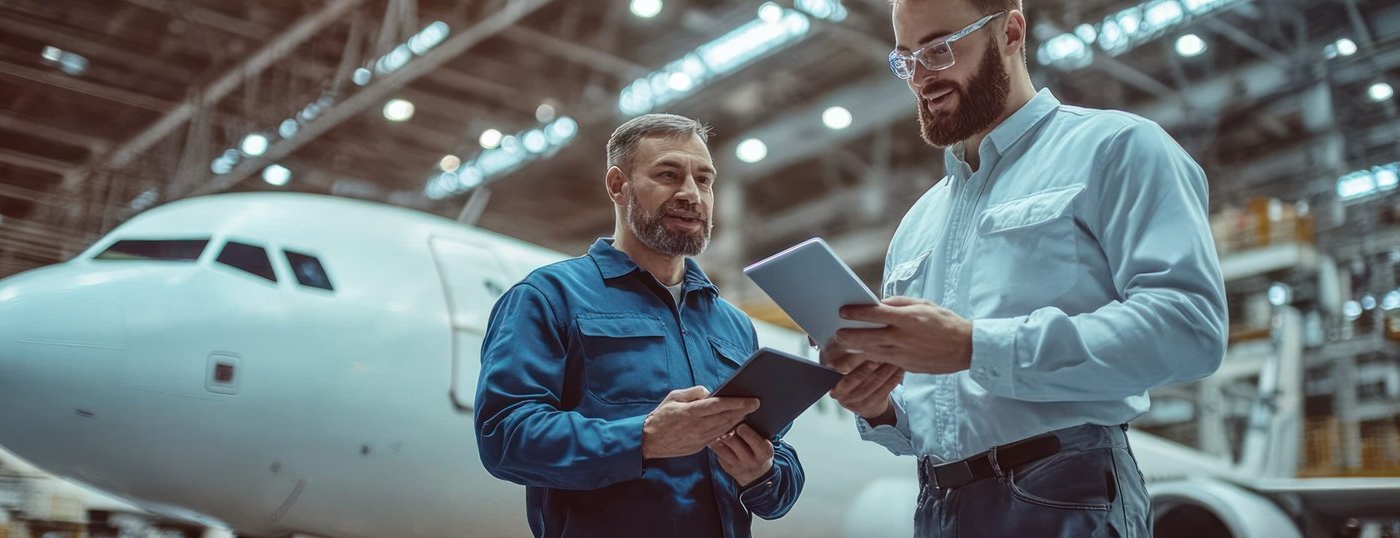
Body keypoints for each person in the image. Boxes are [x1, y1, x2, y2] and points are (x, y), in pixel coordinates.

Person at [823, 0, 1228, 535]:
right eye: (906, 59)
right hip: (936, 505)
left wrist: (973, 346)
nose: (922, 78)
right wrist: (878, 407)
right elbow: (934, 419)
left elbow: (1190, 328)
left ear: (1011, 31)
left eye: (940, 49)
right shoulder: (917, 223)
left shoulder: (1116, 148)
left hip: (1066, 492)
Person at [474, 113, 804, 538]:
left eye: (704, 180)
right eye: (668, 174)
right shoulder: (548, 296)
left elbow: (779, 477)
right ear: (617, 185)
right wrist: (644, 438)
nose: (691, 194)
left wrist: (763, 473)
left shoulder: (734, 327)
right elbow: (504, 438)